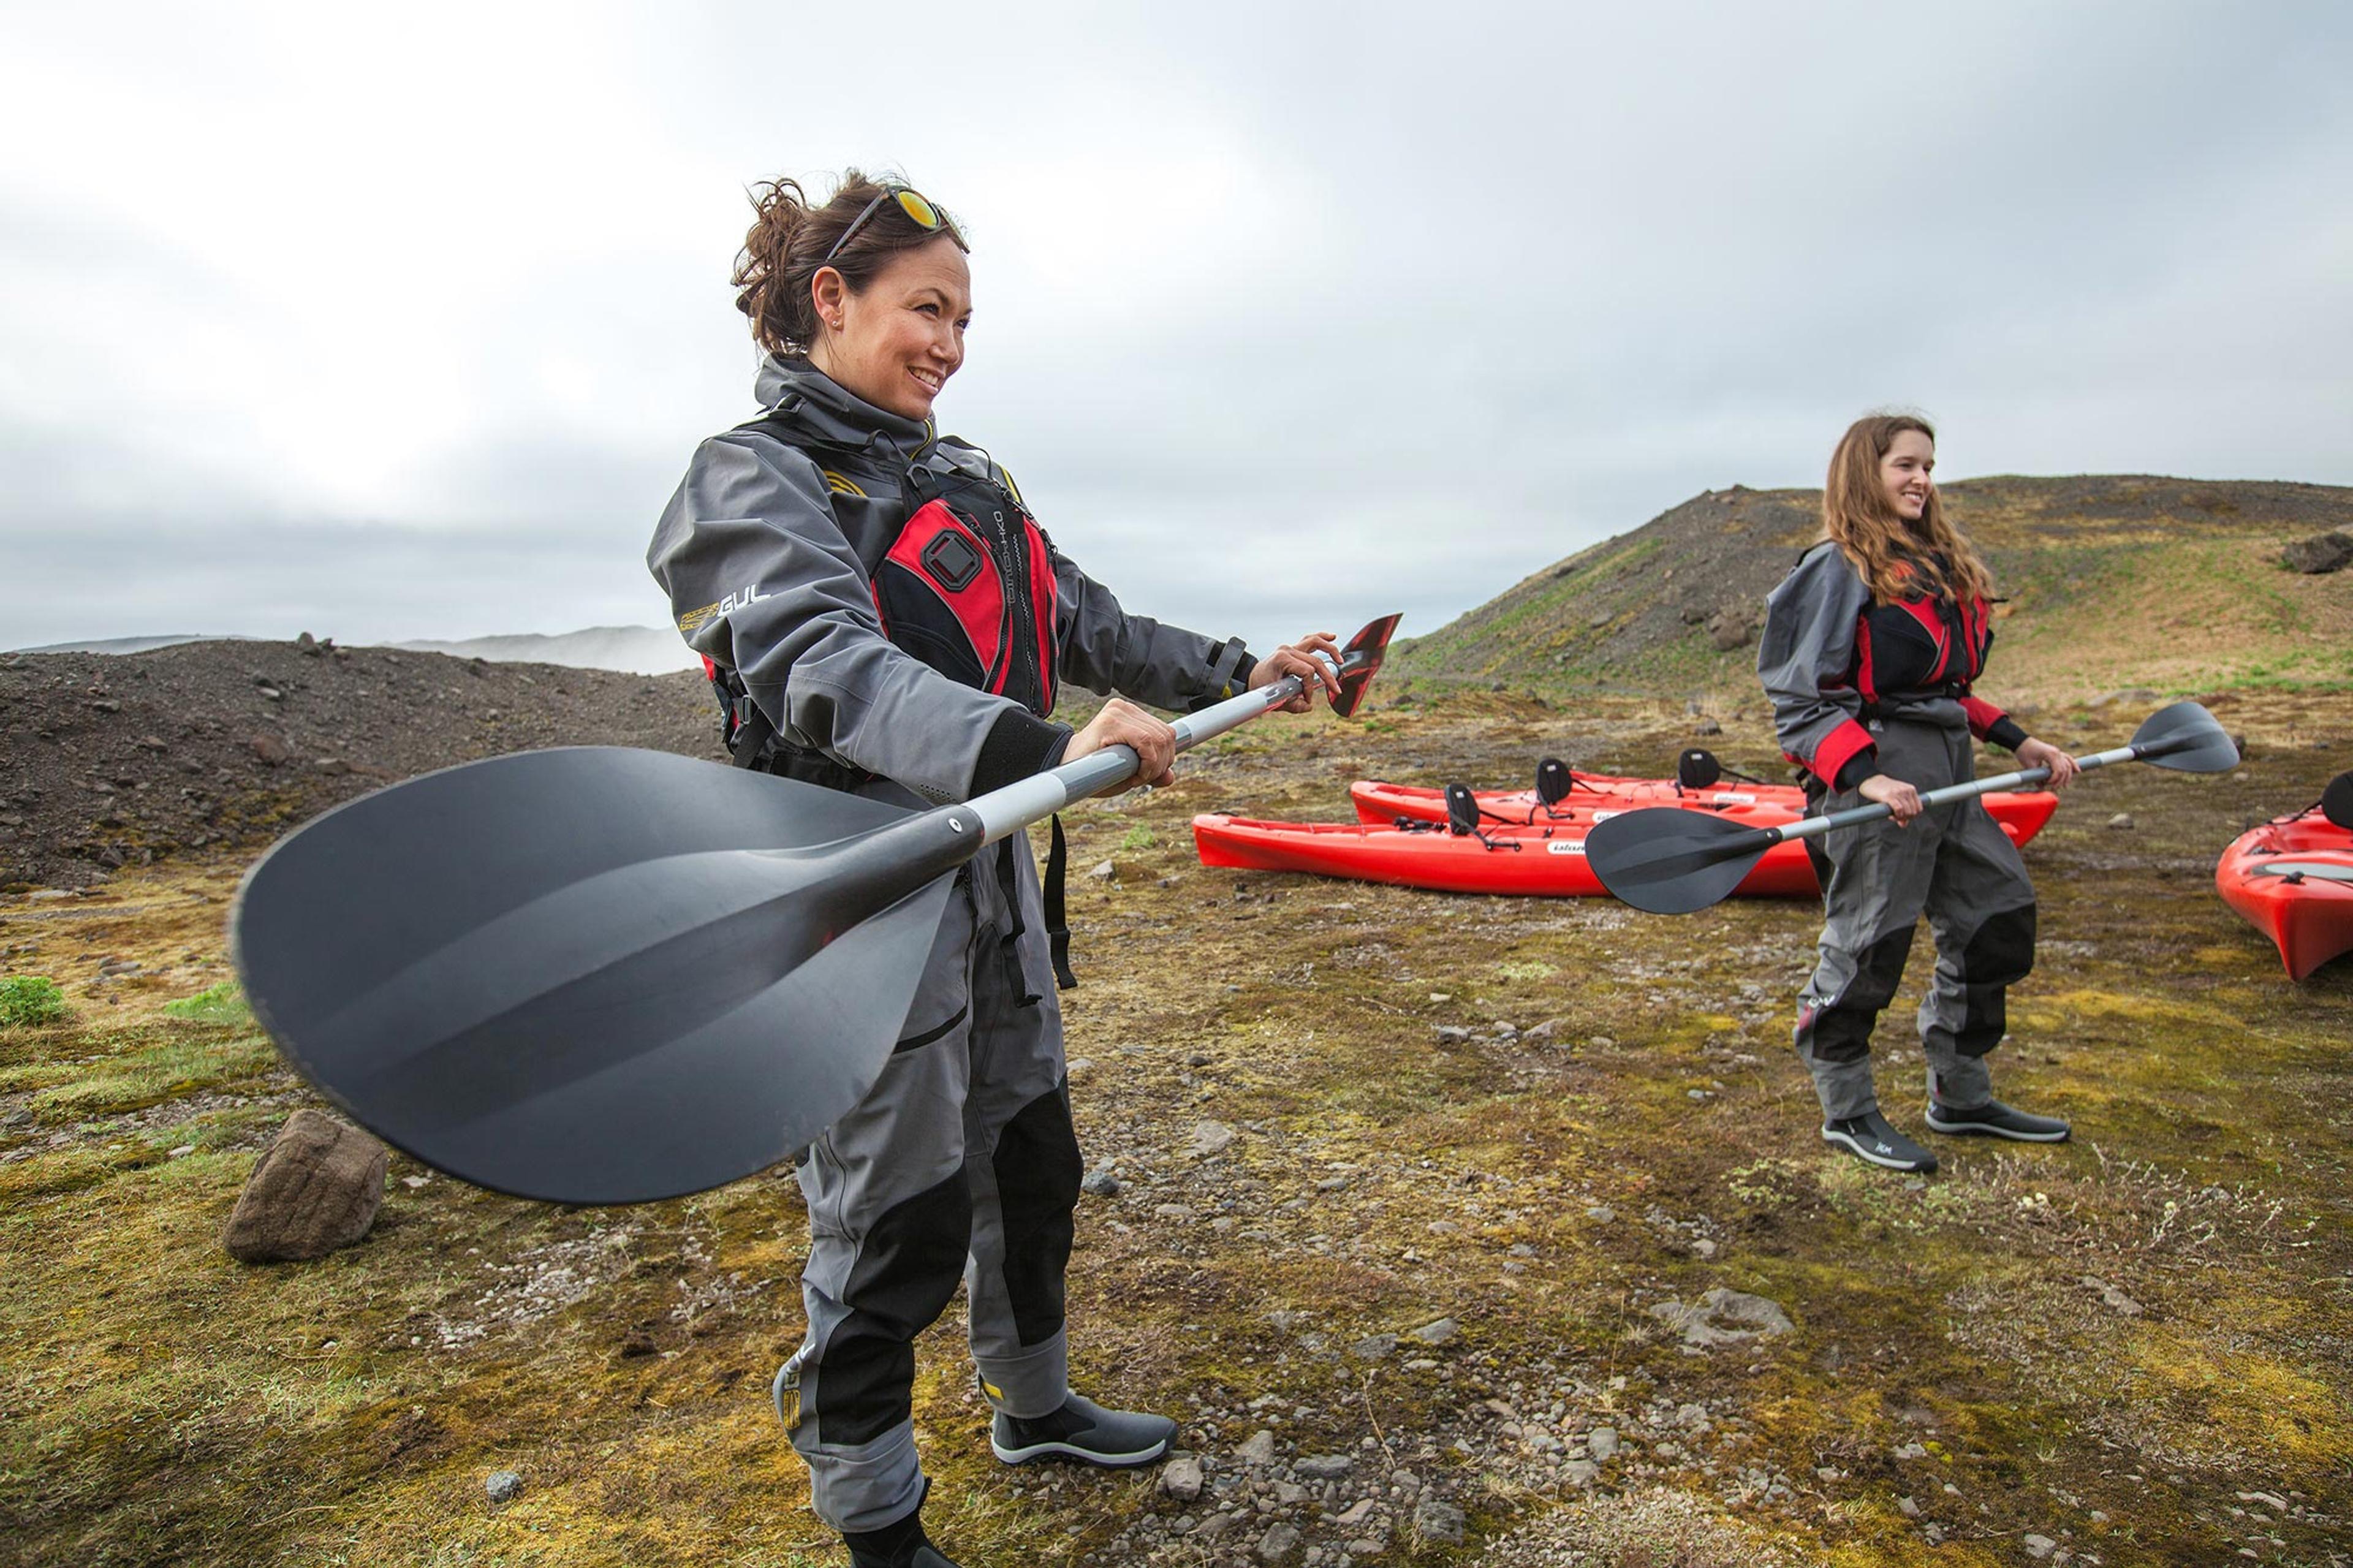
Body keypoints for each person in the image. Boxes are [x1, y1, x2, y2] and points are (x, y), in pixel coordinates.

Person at [647, 170, 1340, 1568]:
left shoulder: (967, 477)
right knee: (888, 1211)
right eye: (926, 308)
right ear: (825, 299)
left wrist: (1233, 669)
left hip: (995, 875)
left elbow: (1078, 617)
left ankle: (1032, 1408)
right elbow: (824, 668)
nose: (951, 343)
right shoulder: (746, 482)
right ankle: (874, 1511)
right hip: (857, 894)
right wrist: (1034, 744)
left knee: (1033, 1161)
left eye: (964, 316)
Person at [1757, 412, 2079, 1175]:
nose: (1921, 479)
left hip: (1951, 776)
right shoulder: (1838, 567)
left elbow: (1944, 689)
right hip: (1877, 780)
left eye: (1928, 465)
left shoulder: (1933, 564)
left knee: (1997, 917)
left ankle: (1959, 1094)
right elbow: (1800, 700)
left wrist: (2018, 739)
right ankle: (1848, 1108)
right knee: (1869, 946)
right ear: (1865, 472)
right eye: (1905, 465)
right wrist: (1865, 773)